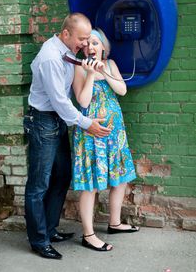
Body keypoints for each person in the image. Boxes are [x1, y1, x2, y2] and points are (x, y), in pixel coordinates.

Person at [23, 14, 111, 260]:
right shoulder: (50, 58)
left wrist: (90, 69)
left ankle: (50, 230)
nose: (85, 44)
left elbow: (74, 77)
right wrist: (87, 125)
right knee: (38, 185)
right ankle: (39, 241)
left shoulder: (66, 51)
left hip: (57, 120)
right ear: (65, 34)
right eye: (82, 39)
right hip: (42, 121)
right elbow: (61, 103)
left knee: (62, 176)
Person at [72, 28, 139, 252]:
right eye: (87, 44)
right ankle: (89, 235)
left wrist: (104, 72)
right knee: (91, 184)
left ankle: (115, 223)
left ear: (103, 47)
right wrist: (91, 74)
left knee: (119, 179)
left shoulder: (111, 66)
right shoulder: (79, 68)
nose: (91, 47)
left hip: (114, 132)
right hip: (91, 133)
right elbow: (82, 101)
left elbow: (122, 90)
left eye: (95, 43)